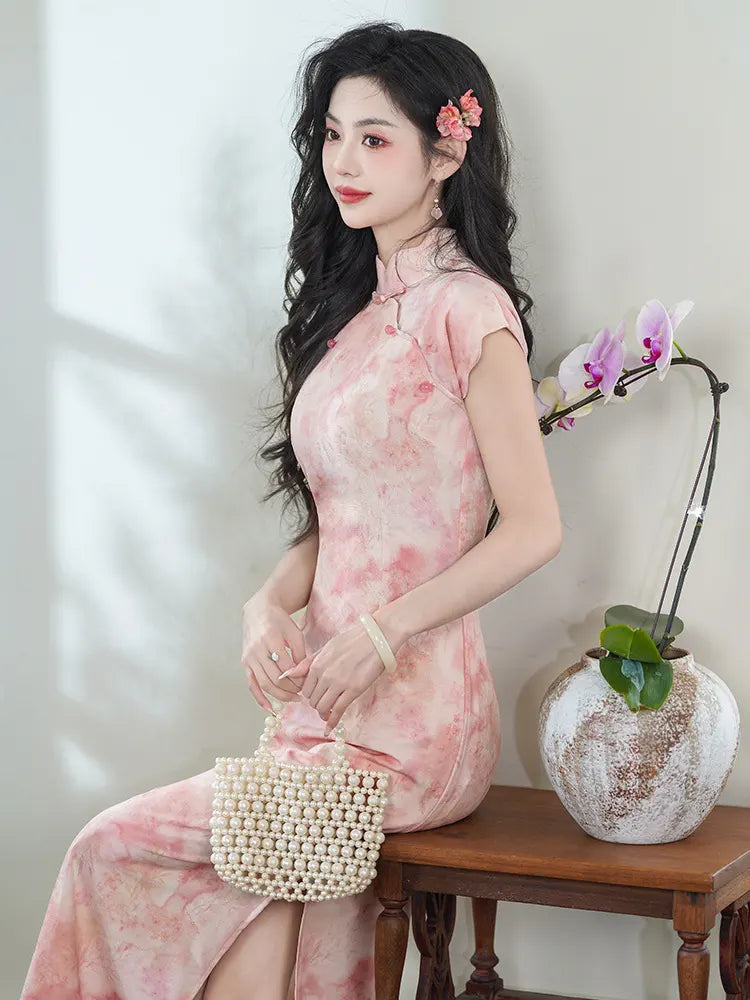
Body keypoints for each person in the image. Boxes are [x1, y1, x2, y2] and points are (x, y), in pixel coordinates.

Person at [21, 20, 562, 1000]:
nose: (343, 161)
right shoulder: (351, 312)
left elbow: (534, 526)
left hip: (417, 726)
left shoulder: (468, 313)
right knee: (274, 916)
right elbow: (345, 512)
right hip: (319, 714)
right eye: (331, 134)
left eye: (374, 138)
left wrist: (386, 633)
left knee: (110, 846)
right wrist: (265, 604)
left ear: (447, 151)